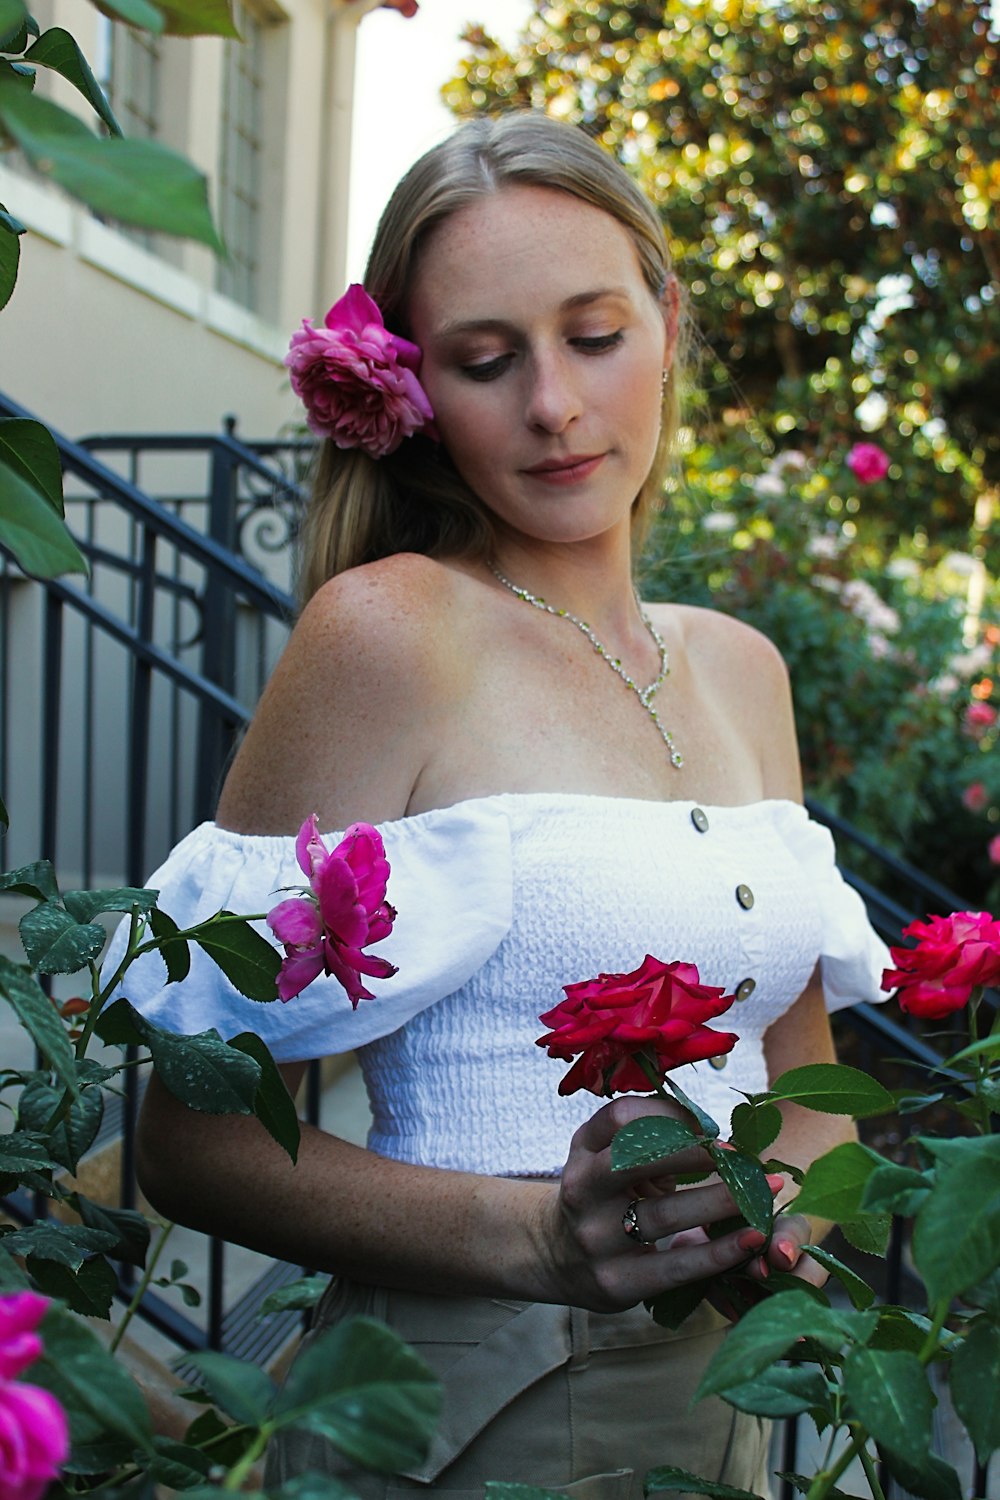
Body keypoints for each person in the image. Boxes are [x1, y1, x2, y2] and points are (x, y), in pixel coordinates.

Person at [121, 114, 889, 1498]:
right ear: (413, 388)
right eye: (485, 360)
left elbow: (803, 1081)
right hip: (488, 1398)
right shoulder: (388, 636)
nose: (551, 404)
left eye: (593, 334)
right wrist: (542, 1240)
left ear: (666, 319)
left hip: (745, 1396)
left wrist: (788, 1209)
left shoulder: (741, 669)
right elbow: (197, 1142)